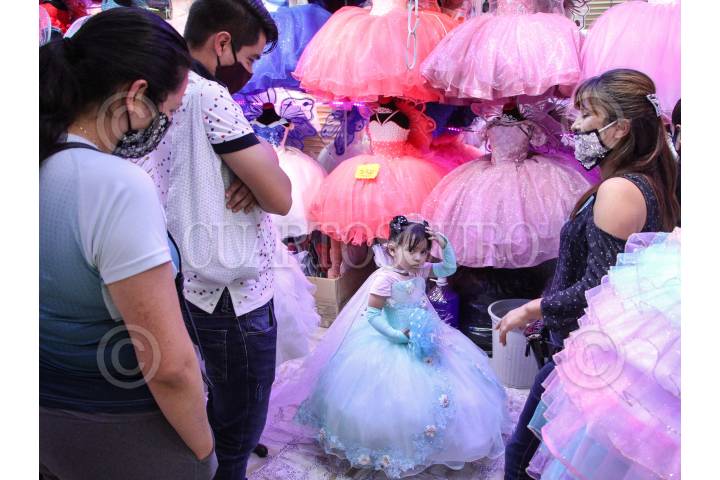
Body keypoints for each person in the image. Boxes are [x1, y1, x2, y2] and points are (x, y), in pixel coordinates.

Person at [40, 8, 216, 479]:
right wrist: (203, 450)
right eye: (167, 113)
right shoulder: (115, 186)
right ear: (137, 94)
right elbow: (166, 363)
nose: (164, 125)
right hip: (120, 426)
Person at [496, 68, 679, 480]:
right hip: (593, 352)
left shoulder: (619, 191)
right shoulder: (651, 180)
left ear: (619, 129)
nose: (575, 126)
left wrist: (533, 308)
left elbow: (599, 289)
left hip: (584, 354)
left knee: (522, 461)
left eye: (586, 116)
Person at [150, 1, 290, 479]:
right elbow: (282, 196)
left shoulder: (161, 89)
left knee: (209, 404)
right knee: (238, 424)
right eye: (250, 59)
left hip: (180, 276)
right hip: (228, 291)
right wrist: (262, 166)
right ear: (222, 42)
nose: (249, 72)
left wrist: (248, 171)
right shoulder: (208, 96)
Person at [288, 217, 510, 478]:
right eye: (412, 250)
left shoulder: (420, 271)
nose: (418, 257)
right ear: (393, 249)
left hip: (424, 335)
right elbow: (372, 315)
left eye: (424, 252)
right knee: (393, 399)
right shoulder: (384, 279)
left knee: (457, 384)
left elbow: (448, 268)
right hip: (392, 337)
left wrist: (443, 244)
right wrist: (395, 335)